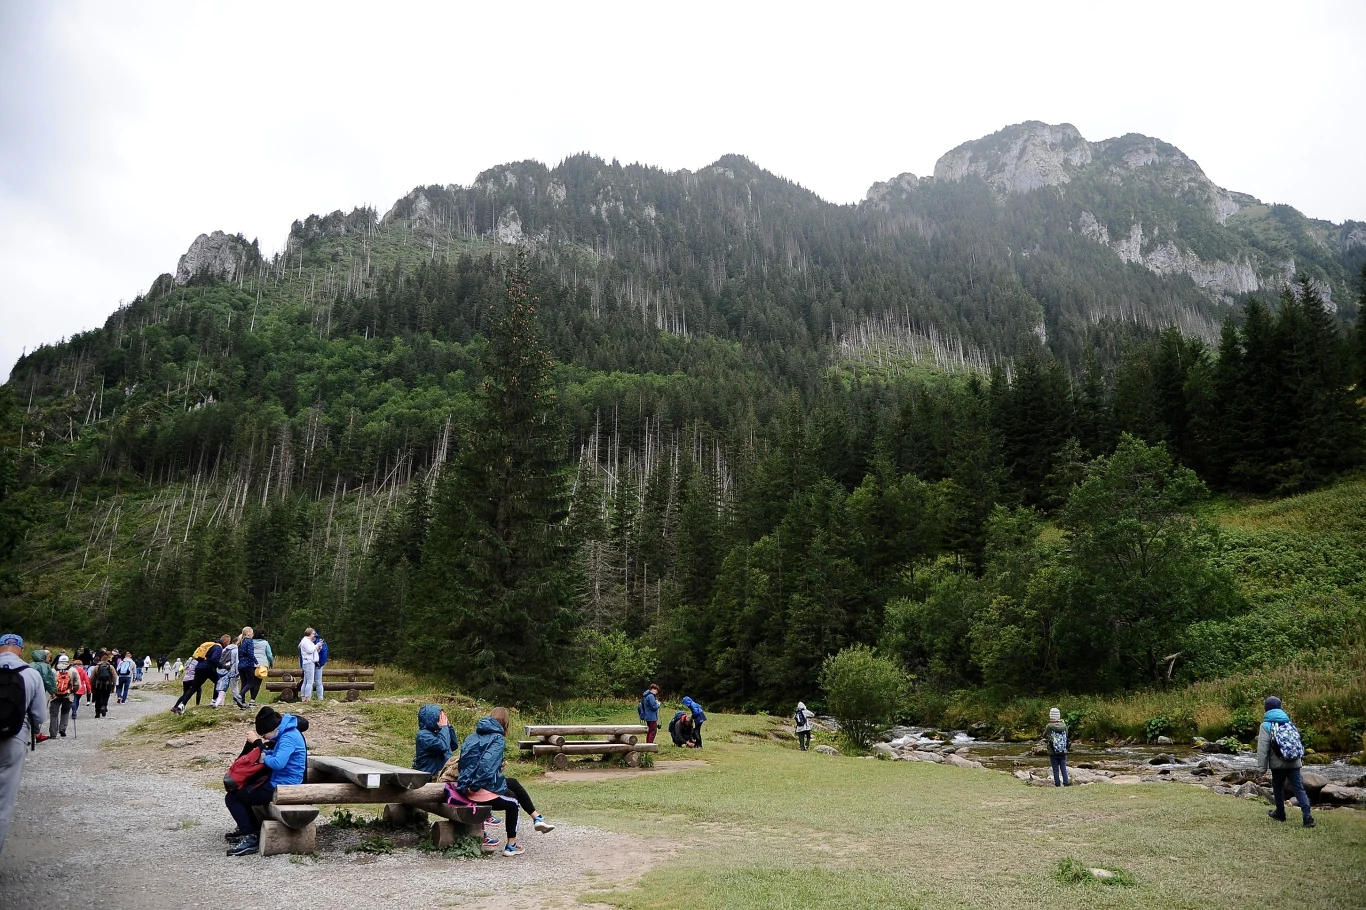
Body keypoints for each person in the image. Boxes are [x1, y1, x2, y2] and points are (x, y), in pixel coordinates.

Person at [455, 707, 553, 856]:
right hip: (477, 789)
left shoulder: (472, 736)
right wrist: (473, 787)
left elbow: (466, 763)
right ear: (505, 723)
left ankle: (536, 818)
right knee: (513, 802)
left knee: (513, 782)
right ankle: (511, 845)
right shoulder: (497, 738)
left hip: (466, 785)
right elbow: (485, 767)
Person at [225, 706, 310, 856]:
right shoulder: (285, 733)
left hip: (285, 785)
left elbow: (278, 763)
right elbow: (277, 755)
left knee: (233, 798)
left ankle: (250, 836)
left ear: (272, 729)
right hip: (280, 780)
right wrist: (267, 752)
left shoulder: (288, 737)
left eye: (264, 734)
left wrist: (265, 757)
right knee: (241, 792)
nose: (264, 738)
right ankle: (251, 830)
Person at [0, 633, 48, 855]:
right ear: (21, 650)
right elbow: (39, 715)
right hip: (14, 739)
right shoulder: (31, 674)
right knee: (3, 804)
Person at [1258, 696, 1316, 828]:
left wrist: (1262, 768)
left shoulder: (1266, 725)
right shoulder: (1289, 723)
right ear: (1280, 707)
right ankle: (1307, 817)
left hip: (1278, 764)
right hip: (1294, 761)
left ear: (1266, 708)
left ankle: (1280, 813)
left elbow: (1263, 748)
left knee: (1278, 787)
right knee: (1299, 788)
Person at [172, 638, 225, 715]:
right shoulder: (218, 647)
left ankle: (182, 705)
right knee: (219, 681)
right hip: (209, 668)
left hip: (199, 667)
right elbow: (214, 659)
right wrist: (222, 666)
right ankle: (214, 700)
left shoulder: (208, 648)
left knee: (194, 687)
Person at [413, 704, 457, 775]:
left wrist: (449, 727)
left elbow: (453, 745)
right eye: (441, 717)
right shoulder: (423, 736)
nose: (443, 719)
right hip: (430, 777)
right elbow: (442, 746)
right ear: (432, 718)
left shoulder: (439, 732)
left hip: (441, 774)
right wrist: (444, 727)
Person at [47, 654, 81, 739]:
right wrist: (73, 691)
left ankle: (53, 733)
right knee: (65, 712)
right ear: (67, 661)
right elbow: (77, 684)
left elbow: (48, 683)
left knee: (54, 714)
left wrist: (51, 693)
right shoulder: (73, 670)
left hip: (55, 695)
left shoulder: (53, 670)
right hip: (68, 695)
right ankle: (62, 729)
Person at [1045, 707, 1070, 787]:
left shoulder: (1049, 726)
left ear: (1050, 715)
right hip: (1063, 750)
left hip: (1052, 750)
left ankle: (1057, 784)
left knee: (1055, 769)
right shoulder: (1064, 725)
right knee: (1063, 768)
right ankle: (1066, 783)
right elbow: (1066, 736)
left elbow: (1044, 735)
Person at [212, 637, 239, 708]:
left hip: (223, 669)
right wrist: (238, 673)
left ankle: (220, 702)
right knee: (234, 686)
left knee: (222, 687)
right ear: (237, 642)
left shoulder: (225, 649)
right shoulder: (236, 650)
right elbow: (237, 662)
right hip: (232, 669)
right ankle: (236, 702)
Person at [235, 627, 257, 710]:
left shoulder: (240, 641)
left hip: (241, 665)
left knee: (244, 684)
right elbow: (250, 653)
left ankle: (242, 703)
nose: (253, 634)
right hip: (248, 664)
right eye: (252, 633)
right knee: (251, 683)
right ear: (248, 634)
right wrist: (256, 662)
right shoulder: (249, 641)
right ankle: (239, 696)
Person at [90, 651, 117, 718]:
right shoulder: (111, 667)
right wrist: (113, 686)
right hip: (107, 684)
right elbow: (114, 677)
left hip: (98, 684)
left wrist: (91, 685)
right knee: (106, 696)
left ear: (101, 660)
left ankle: (97, 713)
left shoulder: (97, 667)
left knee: (98, 698)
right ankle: (104, 706)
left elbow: (92, 677)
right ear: (107, 660)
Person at [298, 628, 318, 702]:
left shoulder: (306, 641)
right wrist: (316, 646)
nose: (314, 635)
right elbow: (310, 651)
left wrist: (317, 647)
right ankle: (307, 697)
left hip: (307, 662)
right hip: (308, 662)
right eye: (313, 633)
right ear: (309, 633)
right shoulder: (306, 641)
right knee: (310, 681)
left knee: (306, 681)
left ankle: (304, 696)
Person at [312, 631, 329, 700]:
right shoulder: (307, 642)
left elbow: (324, 653)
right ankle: (308, 697)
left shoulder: (321, 642)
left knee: (318, 681)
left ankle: (320, 698)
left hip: (318, 664)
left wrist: (321, 663)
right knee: (308, 682)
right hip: (309, 663)